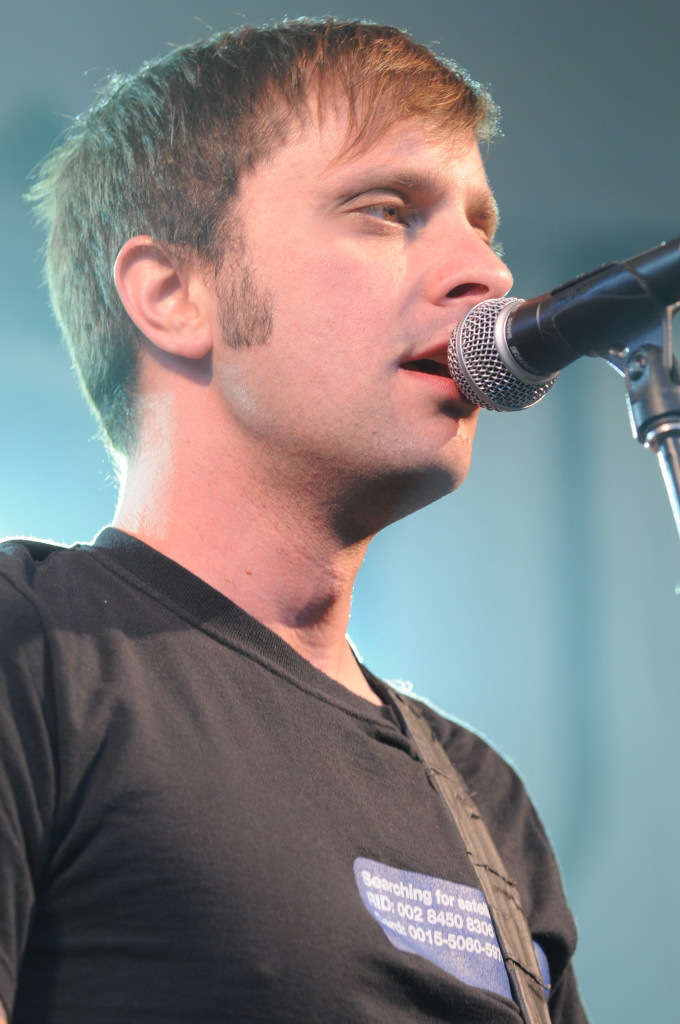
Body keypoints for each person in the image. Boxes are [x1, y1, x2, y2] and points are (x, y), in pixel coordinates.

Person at [0, 18, 588, 1023]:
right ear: (173, 294)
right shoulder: (30, 652)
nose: (489, 278)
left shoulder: (484, 797)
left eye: (481, 229)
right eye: (386, 211)